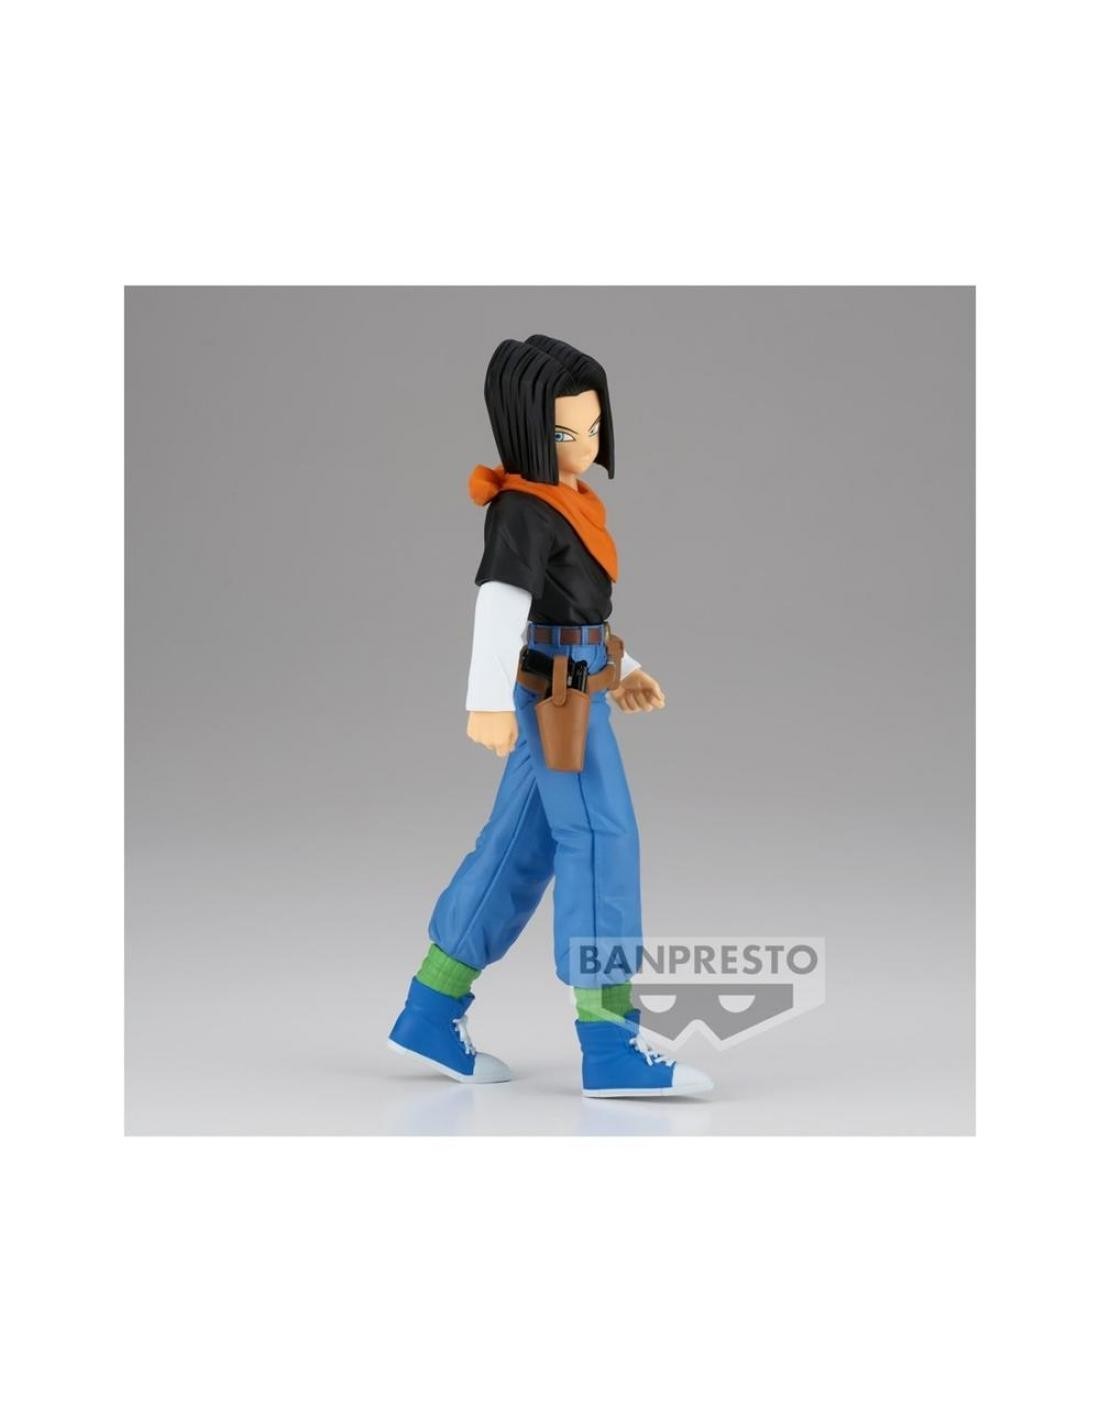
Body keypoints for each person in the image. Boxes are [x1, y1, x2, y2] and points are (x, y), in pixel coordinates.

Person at [387, 334, 712, 1097]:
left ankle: (430, 1008)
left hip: (577, 684)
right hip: (555, 702)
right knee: (602, 843)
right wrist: (484, 701)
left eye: (594, 427)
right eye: (567, 432)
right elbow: (502, 607)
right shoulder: (523, 511)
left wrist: (624, 668)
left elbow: (576, 611)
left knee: (516, 851)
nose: (586, 445)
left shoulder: (571, 503)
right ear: (528, 430)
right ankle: (609, 1044)